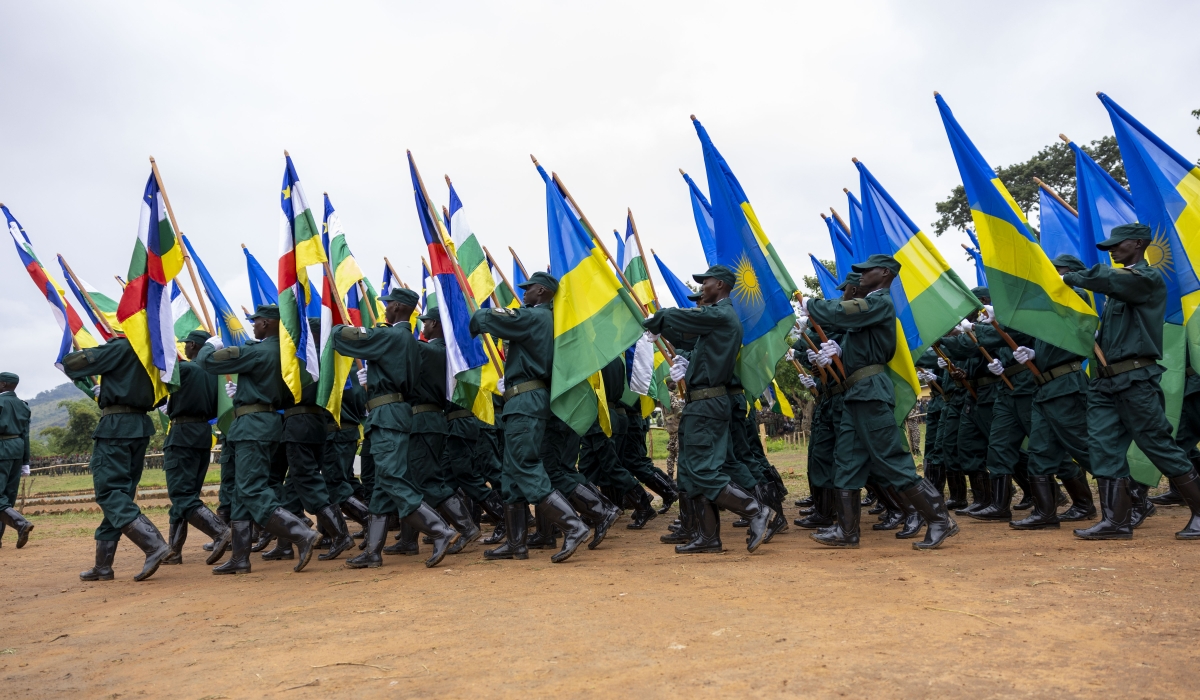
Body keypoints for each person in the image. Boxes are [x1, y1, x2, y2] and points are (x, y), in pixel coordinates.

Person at [802, 254, 958, 550]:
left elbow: (840, 314)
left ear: (885, 273)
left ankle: (940, 520)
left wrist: (812, 305)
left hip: (870, 391)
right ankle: (846, 531)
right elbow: (860, 347)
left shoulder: (879, 302)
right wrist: (838, 352)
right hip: (855, 392)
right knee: (846, 461)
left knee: (892, 459)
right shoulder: (873, 306)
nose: (860, 275)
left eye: (867, 270)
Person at [1062, 223, 1200, 540]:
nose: (1112, 249)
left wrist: (1068, 278)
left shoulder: (1146, 280)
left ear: (1137, 244)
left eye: (1117, 244)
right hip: (1105, 382)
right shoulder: (1119, 293)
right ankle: (1117, 521)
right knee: (1102, 446)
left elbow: (1106, 279)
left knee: (1157, 444)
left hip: (1135, 378)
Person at [642, 264, 771, 554]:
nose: (702, 286)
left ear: (722, 285)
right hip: (700, 403)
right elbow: (688, 337)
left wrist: (659, 318)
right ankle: (708, 536)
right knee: (689, 472)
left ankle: (754, 510)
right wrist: (664, 332)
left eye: (706, 282)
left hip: (708, 404)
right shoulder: (716, 319)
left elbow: (686, 318)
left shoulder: (722, 313)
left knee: (702, 469)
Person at [331, 289, 461, 568]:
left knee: (391, 478)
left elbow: (343, 339)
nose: (385, 309)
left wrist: (334, 319)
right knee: (381, 486)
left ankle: (440, 530)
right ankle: (373, 552)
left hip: (388, 413)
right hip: (393, 412)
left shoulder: (391, 335)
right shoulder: (408, 340)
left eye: (388, 304)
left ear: (400, 307)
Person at [467, 271, 591, 564]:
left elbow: (484, 319)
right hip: (522, 400)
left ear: (544, 291)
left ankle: (574, 526)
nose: (525, 293)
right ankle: (516, 543)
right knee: (511, 475)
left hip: (526, 401)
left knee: (524, 465)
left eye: (530, 288)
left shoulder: (535, 317)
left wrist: (472, 309)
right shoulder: (544, 318)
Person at [194, 305, 325, 574]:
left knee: (251, 489)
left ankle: (301, 532)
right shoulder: (288, 354)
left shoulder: (259, 351)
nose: (253, 326)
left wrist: (210, 344)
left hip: (252, 426)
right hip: (268, 424)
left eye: (256, 322)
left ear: (267, 323)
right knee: (243, 493)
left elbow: (207, 362)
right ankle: (240, 558)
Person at [63, 336, 172, 581]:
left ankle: (154, 545)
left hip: (116, 426)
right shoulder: (154, 349)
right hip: (140, 425)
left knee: (110, 492)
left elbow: (72, 364)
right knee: (120, 496)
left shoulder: (124, 346)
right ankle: (103, 566)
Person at [1007, 254, 1097, 529]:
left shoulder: (1077, 297)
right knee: (1041, 450)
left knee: (1083, 447)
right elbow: (1051, 346)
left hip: (1066, 386)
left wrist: (1061, 282)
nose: (1053, 276)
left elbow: (1078, 293)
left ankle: (1135, 500)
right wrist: (1033, 354)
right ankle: (1047, 513)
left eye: (1059, 272)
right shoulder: (1051, 310)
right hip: (1045, 387)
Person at [391, 308, 480, 556]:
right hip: (422, 421)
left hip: (425, 421)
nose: (423, 327)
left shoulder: (435, 350)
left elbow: (407, 349)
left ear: (434, 323)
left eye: (425, 322)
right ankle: (409, 539)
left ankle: (466, 527)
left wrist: (395, 330)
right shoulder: (436, 350)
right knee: (414, 480)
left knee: (428, 481)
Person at [161, 330, 227, 565]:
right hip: (201, 435)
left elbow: (161, 381)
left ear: (192, 345)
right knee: (186, 495)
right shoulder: (213, 374)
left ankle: (220, 531)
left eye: (186, 344)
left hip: (183, 435)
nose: (184, 349)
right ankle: (173, 551)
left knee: (181, 495)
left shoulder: (187, 369)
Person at [0, 372, 34, 548]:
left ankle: (21, 524)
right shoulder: (23, 406)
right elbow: (26, 435)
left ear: (4, 384)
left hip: (1, 448)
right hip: (17, 449)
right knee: (7, 496)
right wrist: (25, 461)